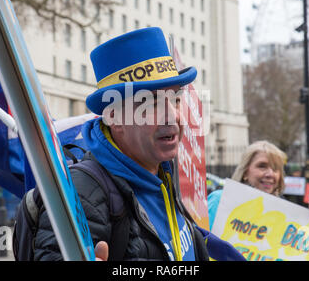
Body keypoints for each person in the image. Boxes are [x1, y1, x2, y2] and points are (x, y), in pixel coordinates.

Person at [33, 27, 210, 261]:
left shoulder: (165, 175)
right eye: (152, 103)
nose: (172, 115)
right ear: (115, 118)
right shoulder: (83, 192)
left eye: (175, 99)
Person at [208, 141, 309, 230]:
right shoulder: (220, 201)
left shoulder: (286, 211)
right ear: (245, 172)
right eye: (262, 166)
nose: (270, 174)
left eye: (276, 169)